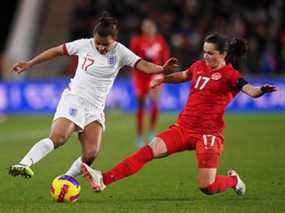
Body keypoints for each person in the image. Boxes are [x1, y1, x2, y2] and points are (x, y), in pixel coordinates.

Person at [80, 33, 277, 196]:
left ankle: (233, 180)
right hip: (183, 128)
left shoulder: (231, 75)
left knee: (206, 186)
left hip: (208, 134)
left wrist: (261, 91)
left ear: (223, 54)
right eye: (204, 52)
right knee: (148, 151)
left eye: (211, 53)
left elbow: (250, 90)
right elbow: (183, 76)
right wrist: (163, 79)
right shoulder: (199, 66)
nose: (206, 56)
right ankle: (103, 178)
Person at [8, 12, 178, 179]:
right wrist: (30, 63)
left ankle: (65, 180)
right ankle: (24, 164)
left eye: (106, 45)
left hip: (95, 108)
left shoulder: (120, 52)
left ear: (114, 40)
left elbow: (144, 65)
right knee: (59, 138)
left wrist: (162, 69)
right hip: (75, 99)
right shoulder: (83, 45)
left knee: (91, 153)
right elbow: (57, 51)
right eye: (98, 43)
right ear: (94, 38)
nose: (101, 47)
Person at [130, 19, 170, 147]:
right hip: (141, 77)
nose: (149, 29)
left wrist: (164, 74)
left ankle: (152, 132)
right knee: (141, 105)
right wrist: (134, 76)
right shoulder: (137, 41)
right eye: (146, 27)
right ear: (142, 29)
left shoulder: (160, 41)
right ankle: (139, 136)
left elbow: (165, 58)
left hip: (155, 75)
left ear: (154, 28)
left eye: (151, 26)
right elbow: (131, 60)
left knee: (155, 102)